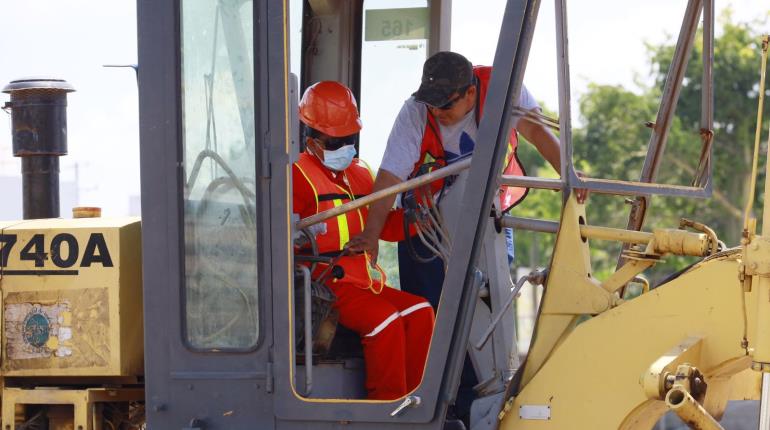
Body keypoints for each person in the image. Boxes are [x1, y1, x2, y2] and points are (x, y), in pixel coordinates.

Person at [346, 51, 567, 422]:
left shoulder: (502, 90)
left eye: (445, 104)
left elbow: (536, 132)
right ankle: (445, 409)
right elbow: (389, 178)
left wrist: (570, 179)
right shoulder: (415, 113)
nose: (437, 112)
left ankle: (489, 395)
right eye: (431, 104)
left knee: (489, 306)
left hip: (488, 220)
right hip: (426, 229)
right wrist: (371, 234)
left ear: (469, 93)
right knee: (433, 315)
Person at [292, 81, 434, 401]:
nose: (345, 145)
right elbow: (280, 237)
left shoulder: (361, 174)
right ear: (311, 137)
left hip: (365, 282)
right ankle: (386, 412)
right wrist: (302, 232)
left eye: (349, 138)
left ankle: (417, 407)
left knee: (420, 311)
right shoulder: (296, 175)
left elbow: (382, 227)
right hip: (327, 284)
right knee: (384, 322)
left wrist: (417, 219)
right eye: (336, 139)